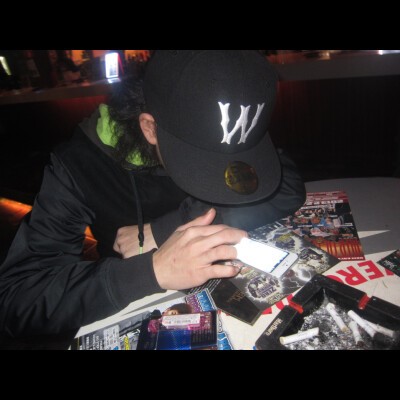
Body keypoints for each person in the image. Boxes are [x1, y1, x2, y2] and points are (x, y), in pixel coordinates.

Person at [0, 50, 305, 336]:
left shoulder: (223, 114)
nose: (220, 175)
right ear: (149, 128)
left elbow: (286, 188)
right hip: (136, 301)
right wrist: (152, 271)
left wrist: (165, 228)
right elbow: (16, 297)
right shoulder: (78, 164)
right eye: (204, 160)